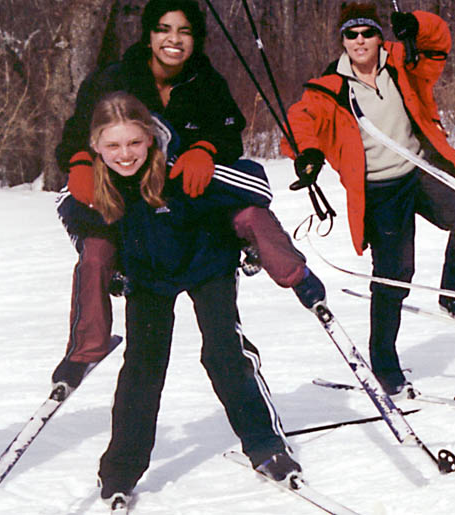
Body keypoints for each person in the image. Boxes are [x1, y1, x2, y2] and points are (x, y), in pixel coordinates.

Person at [51, 0, 321, 397]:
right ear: (148, 35)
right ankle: (88, 342)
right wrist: (78, 161)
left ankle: (289, 284)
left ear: (196, 39)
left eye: (185, 31)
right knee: (99, 253)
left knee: (223, 315)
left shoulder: (207, 81)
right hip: (137, 214)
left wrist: (205, 150)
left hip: (195, 216)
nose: (173, 40)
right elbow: (77, 131)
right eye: (163, 29)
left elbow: (230, 133)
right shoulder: (113, 79)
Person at [58, 92, 318, 508]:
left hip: (207, 262)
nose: (125, 155)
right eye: (113, 146)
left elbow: (254, 185)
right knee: (143, 368)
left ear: (149, 139)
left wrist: (247, 232)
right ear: (96, 148)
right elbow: (75, 220)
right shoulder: (94, 186)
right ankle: (121, 470)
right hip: (149, 278)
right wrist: (110, 263)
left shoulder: (178, 165)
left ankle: (266, 445)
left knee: (223, 352)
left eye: (134, 143)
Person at [283, 3, 455, 396]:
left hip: (417, 173)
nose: (360, 41)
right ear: (343, 41)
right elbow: (300, 120)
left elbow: (438, 41)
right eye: (351, 34)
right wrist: (307, 153)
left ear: (380, 37)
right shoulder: (330, 87)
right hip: (379, 191)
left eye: (367, 32)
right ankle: (385, 362)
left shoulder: (402, 63)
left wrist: (416, 24)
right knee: (395, 275)